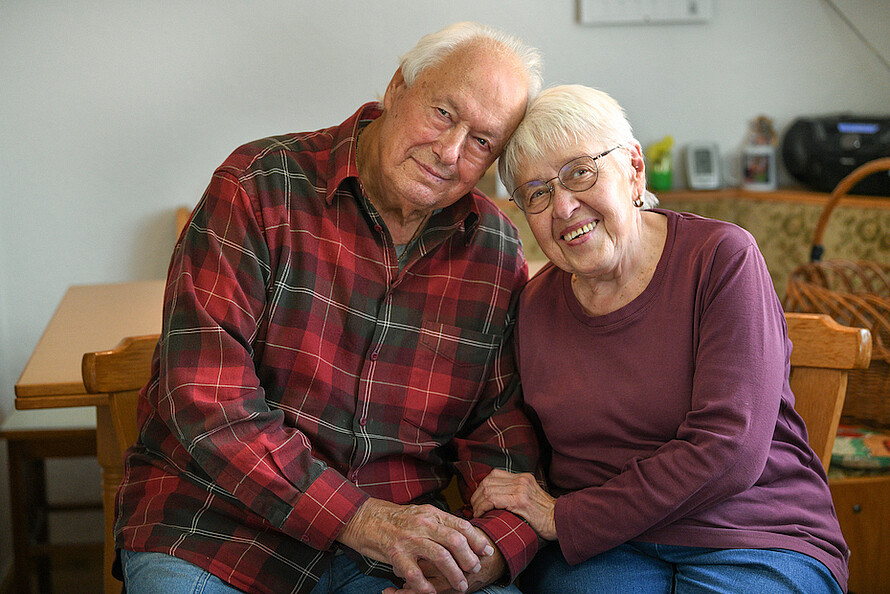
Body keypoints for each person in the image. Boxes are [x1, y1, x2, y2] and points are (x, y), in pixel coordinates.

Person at [115, 22, 545, 594]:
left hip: (394, 550)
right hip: (219, 528)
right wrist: (358, 519)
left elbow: (501, 427)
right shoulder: (258, 186)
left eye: (482, 142)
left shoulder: (493, 249)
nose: (449, 152)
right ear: (397, 89)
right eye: (443, 113)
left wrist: (488, 552)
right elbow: (206, 398)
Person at [471, 84, 850, 593]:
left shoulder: (721, 258)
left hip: (751, 535)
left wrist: (565, 518)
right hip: (606, 551)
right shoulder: (532, 306)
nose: (562, 207)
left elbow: (730, 449)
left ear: (634, 169)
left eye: (579, 173)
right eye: (536, 193)